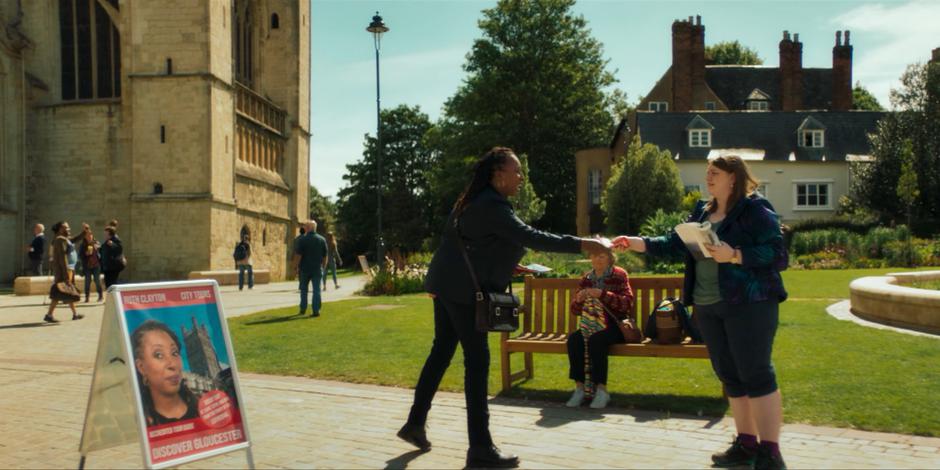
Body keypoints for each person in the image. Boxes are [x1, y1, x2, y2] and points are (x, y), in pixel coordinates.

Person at [397, 147, 612, 468]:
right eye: (516, 171)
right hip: (464, 294)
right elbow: (534, 237)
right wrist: (585, 243)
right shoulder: (492, 206)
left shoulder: (470, 201)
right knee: (477, 362)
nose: (521, 177)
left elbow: (470, 245)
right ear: (499, 175)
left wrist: (508, 266)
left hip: (447, 287)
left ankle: (415, 424)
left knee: (441, 352)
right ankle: (480, 449)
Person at [611, 155, 789, 470]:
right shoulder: (702, 212)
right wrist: (635, 242)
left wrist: (735, 254)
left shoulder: (755, 209)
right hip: (707, 306)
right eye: (707, 172)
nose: (708, 177)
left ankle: (771, 453)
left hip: (749, 305)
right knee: (731, 376)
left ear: (733, 177)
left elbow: (778, 254)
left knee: (757, 374)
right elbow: (671, 244)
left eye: (715, 172)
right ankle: (746, 444)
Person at [565, 250, 636, 409]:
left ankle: (601, 391)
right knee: (574, 340)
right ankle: (580, 389)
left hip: (615, 326)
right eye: (594, 255)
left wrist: (602, 294)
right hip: (591, 325)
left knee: (597, 340)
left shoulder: (619, 274)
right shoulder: (587, 278)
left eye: (602, 256)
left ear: (610, 258)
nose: (597, 259)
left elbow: (627, 303)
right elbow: (575, 311)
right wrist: (578, 300)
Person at [131, 320, 199, 426]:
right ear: (141, 367)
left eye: (174, 353)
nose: (173, 365)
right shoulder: (141, 425)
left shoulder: (205, 409)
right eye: (159, 355)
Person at [44, 221, 83, 322]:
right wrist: (66, 276)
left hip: (68, 269)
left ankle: (74, 314)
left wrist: (84, 232)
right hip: (63, 271)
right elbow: (62, 258)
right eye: (66, 228)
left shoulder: (64, 239)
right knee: (60, 292)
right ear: (61, 229)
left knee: (66, 292)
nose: (69, 229)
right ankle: (49, 315)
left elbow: (74, 239)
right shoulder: (59, 240)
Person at [292, 220, 328, 317]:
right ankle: (316, 310)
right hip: (317, 268)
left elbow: (298, 255)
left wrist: (295, 267)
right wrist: (323, 267)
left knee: (304, 290)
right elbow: (325, 256)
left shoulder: (302, 240)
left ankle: (303, 309)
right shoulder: (322, 239)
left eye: (305, 226)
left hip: (304, 268)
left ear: (308, 228)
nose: (304, 228)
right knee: (317, 290)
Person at [78, 230, 103, 302]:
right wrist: (85, 254)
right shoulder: (83, 245)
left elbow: (102, 252)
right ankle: (87, 297)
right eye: (87, 235)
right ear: (85, 237)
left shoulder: (96, 243)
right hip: (87, 266)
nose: (89, 237)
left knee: (97, 281)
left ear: (92, 235)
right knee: (87, 281)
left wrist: (98, 248)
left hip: (96, 265)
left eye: (90, 235)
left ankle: (100, 296)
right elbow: (80, 256)